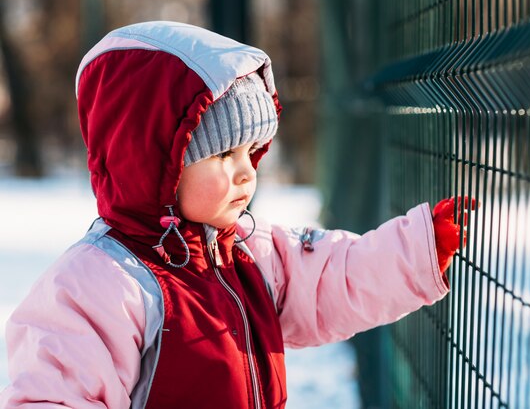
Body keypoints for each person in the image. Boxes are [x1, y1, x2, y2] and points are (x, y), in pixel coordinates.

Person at [0, 21, 475, 409]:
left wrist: (418, 248)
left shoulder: (249, 250)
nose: (248, 173)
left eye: (253, 151)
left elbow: (332, 277)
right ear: (155, 160)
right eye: (225, 153)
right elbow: (52, 395)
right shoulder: (99, 285)